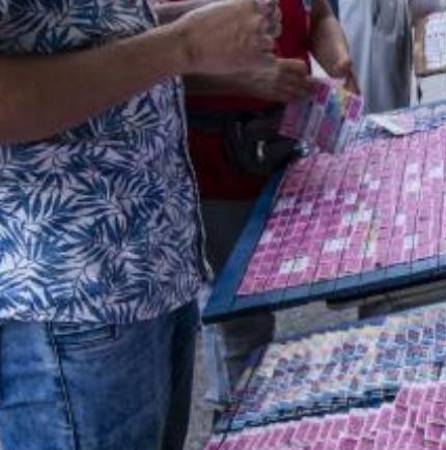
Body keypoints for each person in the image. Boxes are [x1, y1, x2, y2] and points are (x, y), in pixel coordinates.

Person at [0, 0, 277, 448]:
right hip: (70, 303)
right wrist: (184, 44)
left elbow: (89, 29)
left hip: (147, 277)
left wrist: (198, 26)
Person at [155, 0, 357, 406]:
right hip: (217, 170)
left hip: (288, 151)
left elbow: (318, 15)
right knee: (240, 319)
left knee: (323, 277)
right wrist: (246, 81)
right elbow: (151, 66)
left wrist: (338, 62)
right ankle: (235, 419)